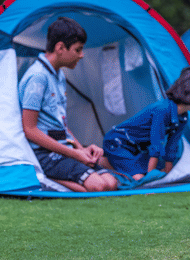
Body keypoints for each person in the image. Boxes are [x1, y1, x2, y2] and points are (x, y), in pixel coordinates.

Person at [19, 17, 119, 192]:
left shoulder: (59, 75)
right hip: (42, 154)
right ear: (60, 48)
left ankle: (71, 182)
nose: (81, 55)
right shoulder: (38, 77)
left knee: (111, 182)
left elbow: (61, 124)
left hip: (64, 149)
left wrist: (82, 150)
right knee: (99, 186)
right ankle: (43, 179)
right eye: (78, 50)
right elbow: (29, 129)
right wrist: (74, 154)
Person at [99, 66, 190, 181]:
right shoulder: (162, 110)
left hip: (136, 150)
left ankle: (113, 164)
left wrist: (168, 172)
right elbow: (156, 142)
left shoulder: (182, 117)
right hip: (118, 143)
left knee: (158, 169)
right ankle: (103, 162)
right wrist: (150, 178)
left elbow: (172, 144)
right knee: (138, 178)